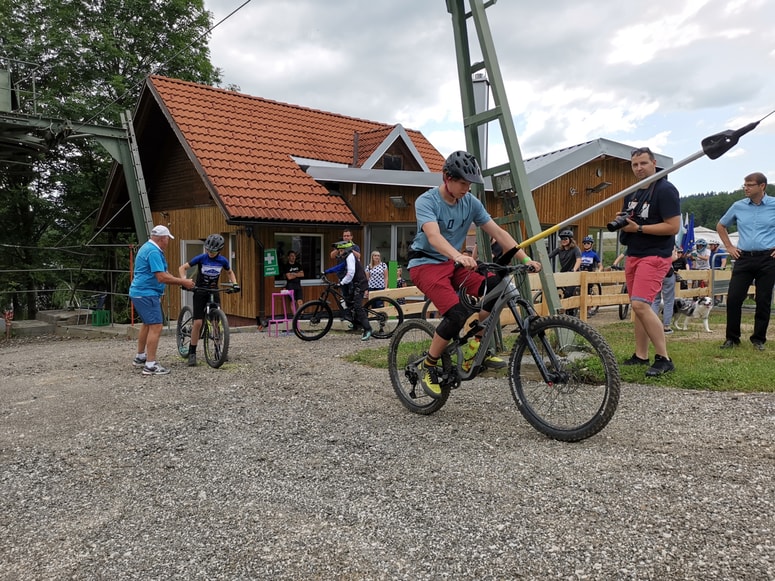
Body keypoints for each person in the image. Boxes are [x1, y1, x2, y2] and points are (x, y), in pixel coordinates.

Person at [407, 150, 541, 398]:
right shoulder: (426, 202)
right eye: (462, 183)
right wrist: (457, 255)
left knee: (495, 288)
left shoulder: (470, 202)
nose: (466, 189)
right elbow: (434, 237)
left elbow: (499, 233)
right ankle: (429, 365)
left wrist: (525, 258)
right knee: (457, 314)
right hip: (425, 264)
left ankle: (474, 348)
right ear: (447, 177)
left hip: (455, 264)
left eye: (469, 184)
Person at [618, 147, 681, 377]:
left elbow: (673, 226)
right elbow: (631, 220)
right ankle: (640, 355)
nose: (639, 168)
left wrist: (640, 228)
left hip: (655, 254)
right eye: (635, 165)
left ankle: (664, 358)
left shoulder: (665, 190)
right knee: (638, 306)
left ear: (654, 163)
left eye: (643, 163)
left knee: (641, 304)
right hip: (634, 252)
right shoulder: (631, 193)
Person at [716, 172, 775, 351]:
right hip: (743, 257)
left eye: (749, 185)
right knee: (733, 298)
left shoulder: (773, 204)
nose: (745, 188)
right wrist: (729, 247)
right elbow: (721, 225)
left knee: (763, 299)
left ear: (762, 186)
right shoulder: (738, 206)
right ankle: (732, 338)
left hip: (768, 258)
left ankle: (758, 339)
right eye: (745, 184)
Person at [129, 225, 195, 375]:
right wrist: (183, 282)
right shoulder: (153, 252)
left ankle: (140, 357)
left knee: (147, 324)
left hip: (139, 292)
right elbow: (161, 277)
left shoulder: (148, 247)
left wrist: (177, 279)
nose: (168, 241)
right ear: (161, 238)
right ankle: (150, 365)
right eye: (167, 238)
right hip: (147, 293)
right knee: (156, 326)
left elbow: (164, 272)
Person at [178, 233, 239, 367]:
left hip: (213, 291)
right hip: (200, 291)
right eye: (208, 249)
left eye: (213, 251)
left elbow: (229, 272)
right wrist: (184, 281)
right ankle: (192, 352)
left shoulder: (222, 261)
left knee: (216, 322)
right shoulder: (201, 258)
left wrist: (234, 283)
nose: (210, 252)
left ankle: (219, 351)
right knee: (198, 323)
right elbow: (182, 268)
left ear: (219, 250)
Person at [332, 240, 373, 341]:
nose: (340, 253)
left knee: (357, 307)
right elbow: (339, 267)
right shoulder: (347, 257)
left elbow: (350, 273)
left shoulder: (350, 257)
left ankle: (368, 329)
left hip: (360, 284)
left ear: (346, 250)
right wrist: (326, 272)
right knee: (347, 301)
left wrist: (341, 283)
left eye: (341, 251)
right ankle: (356, 323)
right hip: (355, 284)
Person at [548, 229, 581, 311]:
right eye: (562, 239)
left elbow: (579, 260)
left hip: (573, 274)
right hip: (564, 273)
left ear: (570, 240)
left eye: (566, 239)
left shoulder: (575, 249)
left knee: (568, 293)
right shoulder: (559, 249)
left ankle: (570, 312)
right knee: (552, 289)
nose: (563, 241)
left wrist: (574, 269)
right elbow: (549, 256)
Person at [651, 246, 679, 335]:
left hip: (655, 273)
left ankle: (652, 325)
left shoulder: (651, 245)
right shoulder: (670, 245)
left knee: (655, 300)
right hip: (667, 273)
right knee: (669, 301)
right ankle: (666, 326)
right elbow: (674, 258)